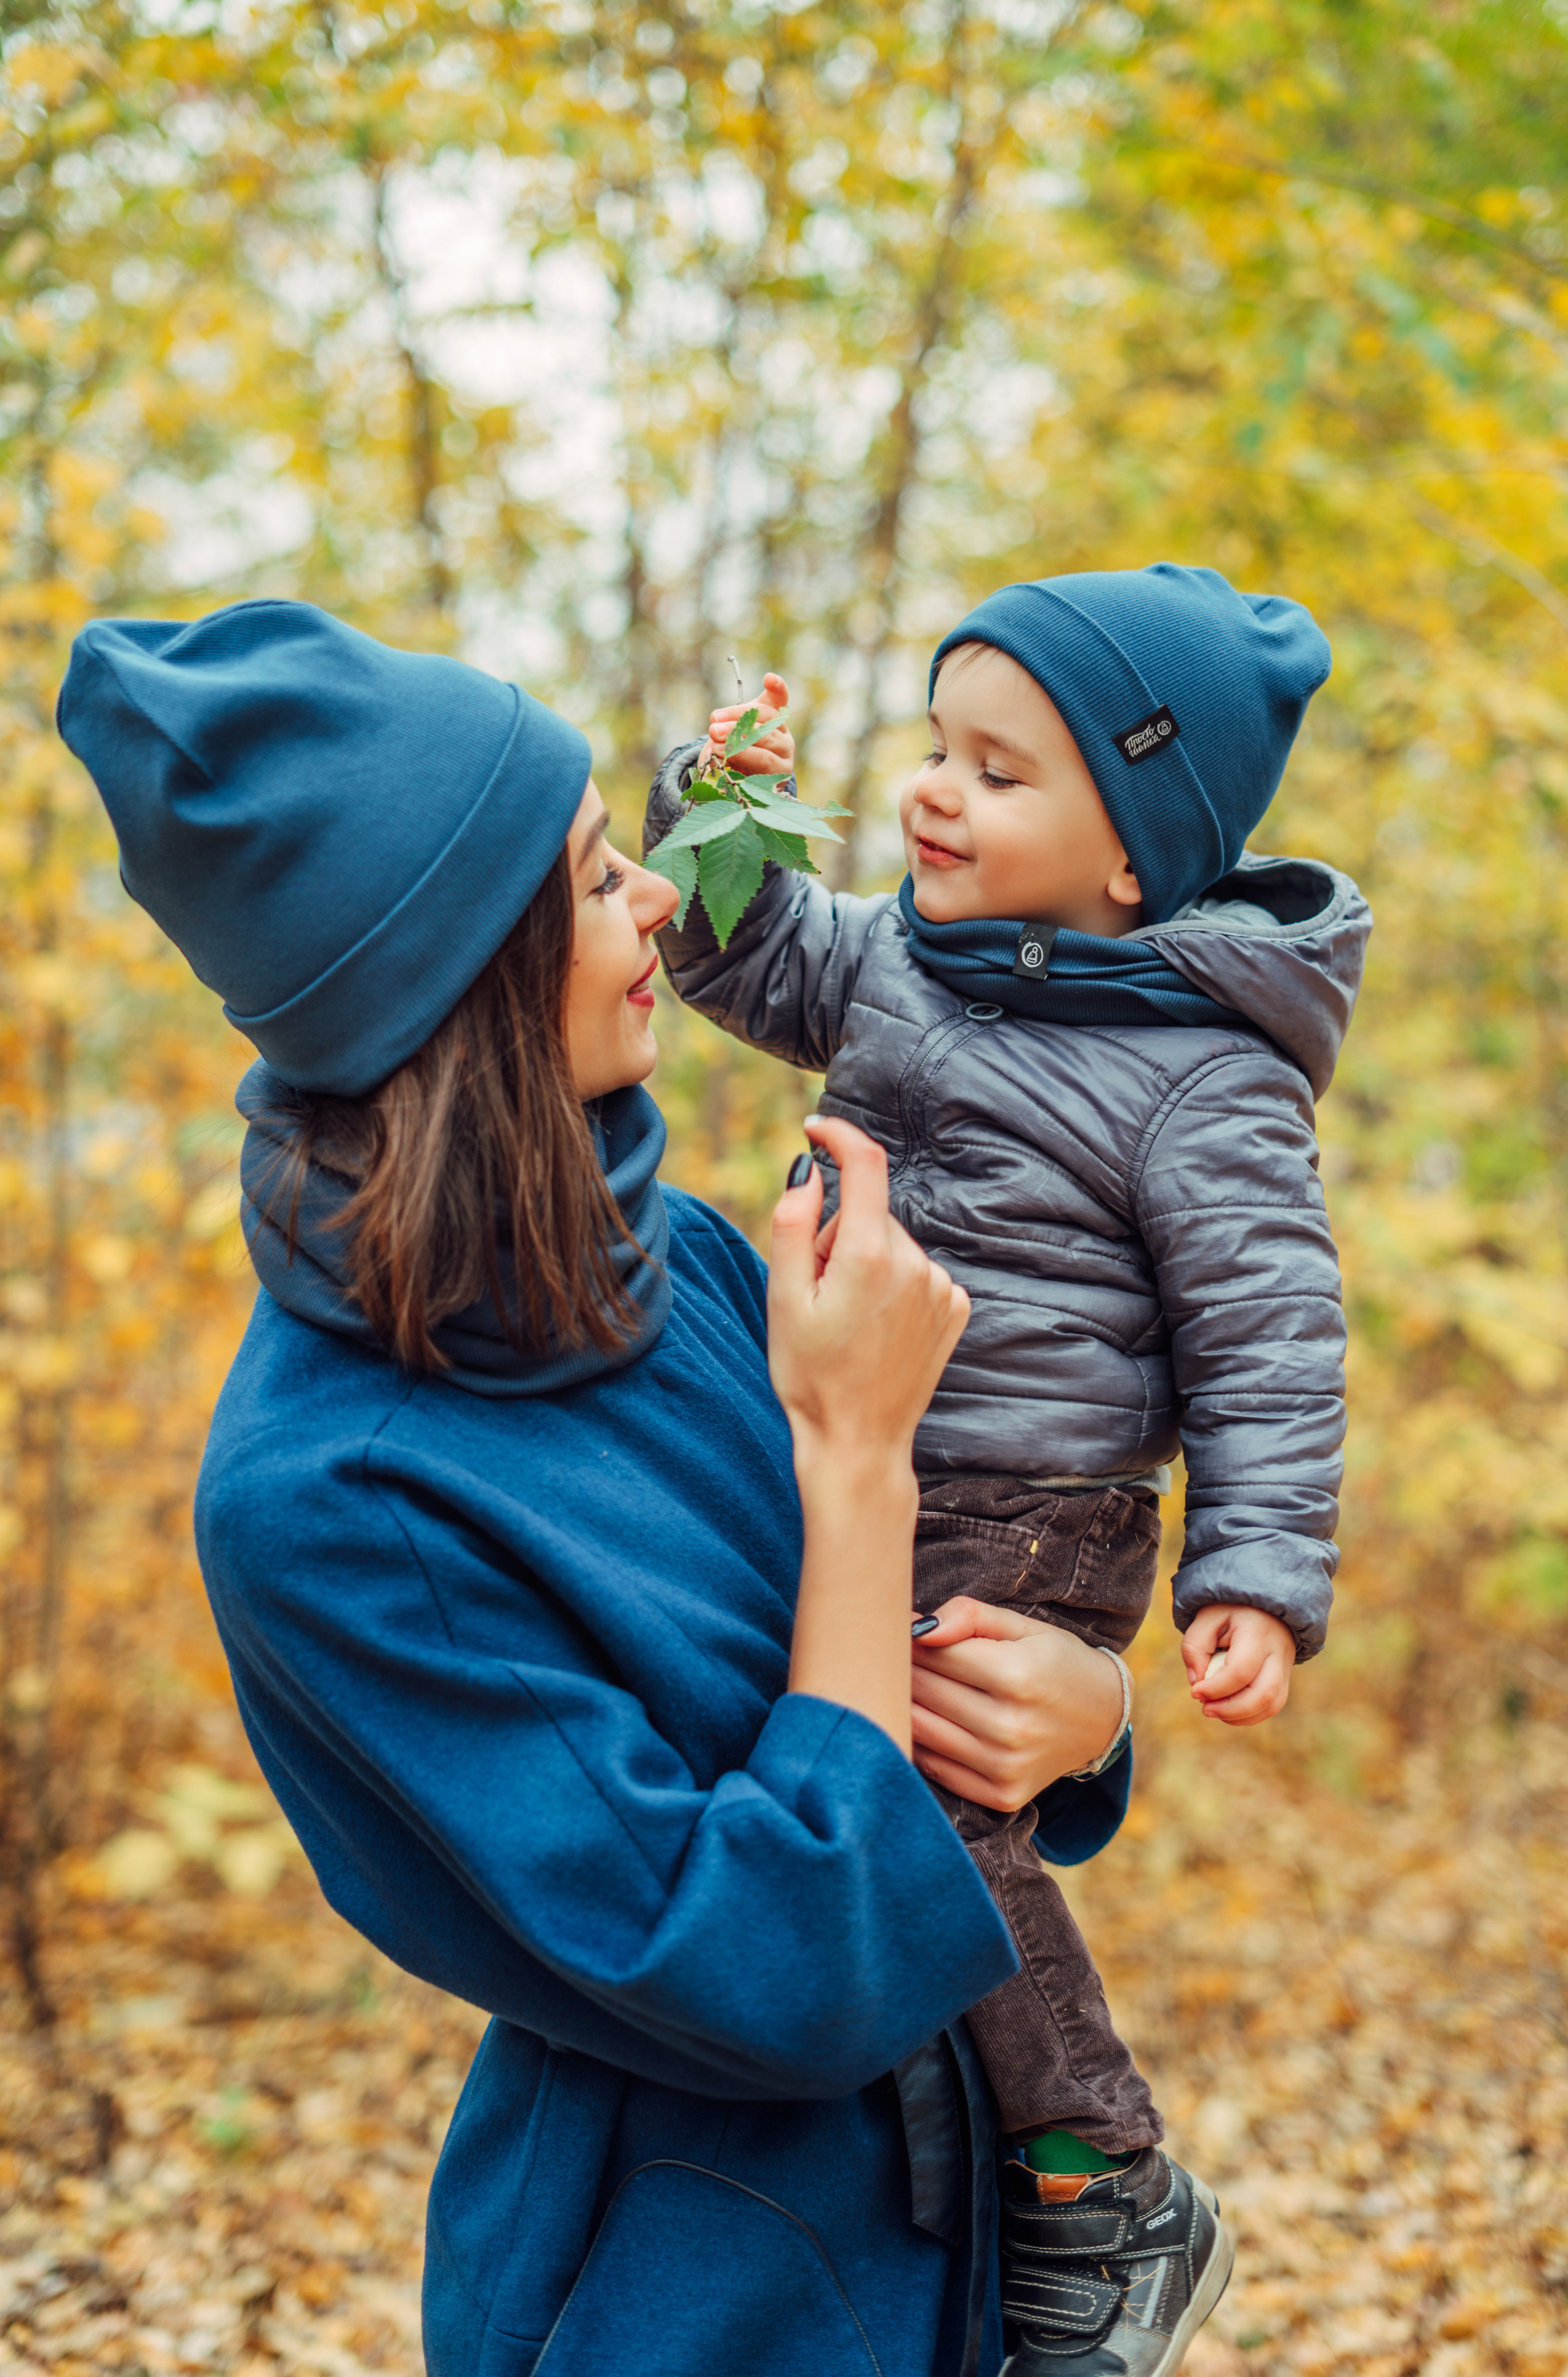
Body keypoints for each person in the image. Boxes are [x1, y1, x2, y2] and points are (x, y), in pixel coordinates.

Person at [57, 597, 1139, 2377]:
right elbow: (782, 1963)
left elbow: (920, 1693)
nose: (654, 902)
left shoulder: (688, 1263)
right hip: (685, 2307)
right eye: (589, 876)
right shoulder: (332, 1497)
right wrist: (858, 1455)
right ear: (453, 973)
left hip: (953, 2253)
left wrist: (1085, 1712)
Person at [646, 564, 1373, 2377]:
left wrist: (1251, 1579)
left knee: (931, 1816)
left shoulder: (1201, 1077)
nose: (931, 796)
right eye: (931, 748)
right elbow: (730, 946)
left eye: (995, 770)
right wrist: (718, 804)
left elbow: (1267, 1344)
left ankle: (1102, 2176)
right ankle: (946, 2162)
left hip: (1032, 1509)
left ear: (1130, 855)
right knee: (838, 1788)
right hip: (860, 1461)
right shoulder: (897, 955)